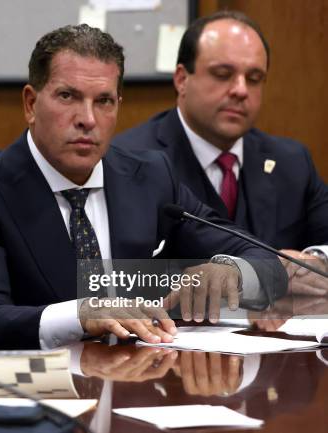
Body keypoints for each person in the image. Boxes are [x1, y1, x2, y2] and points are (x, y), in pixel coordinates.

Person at [0, 24, 287, 350]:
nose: (87, 119)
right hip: (45, 398)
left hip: (145, 392)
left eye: (103, 101)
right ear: (30, 103)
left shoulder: (151, 177)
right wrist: (83, 313)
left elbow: (267, 262)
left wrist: (232, 271)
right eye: (68, 96)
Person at [111, 11, 328, 297]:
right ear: (181, 79)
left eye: (254, 78)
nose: (240, 90)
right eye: (223, 75)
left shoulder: (291, 161)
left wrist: (314, 261)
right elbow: (114, 277)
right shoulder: (129, 162)